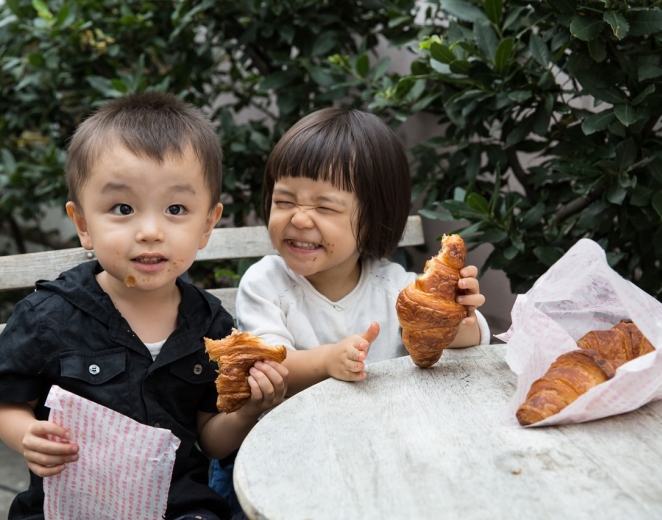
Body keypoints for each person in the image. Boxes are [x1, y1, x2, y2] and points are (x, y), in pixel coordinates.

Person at [0, 92, 287, 520]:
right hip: (71, 501)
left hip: (177, 505)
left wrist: (250, 409)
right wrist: (28, 434)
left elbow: (210, 440)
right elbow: (7, 403)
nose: (150, 231)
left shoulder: (210, 324)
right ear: (84, 224)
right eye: (122, 208)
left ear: (207, 225)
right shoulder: (48, 315)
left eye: (176, 209)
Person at [209, 107, 489, 509]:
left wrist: (456, 315)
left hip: (382, 451)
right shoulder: (266, 283)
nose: (300, 219)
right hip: (290, 455)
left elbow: (461, 345)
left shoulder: (394, 285)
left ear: (373, 219)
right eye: (284, 200)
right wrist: (327, 361)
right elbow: (268, 368)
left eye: (325, 207)